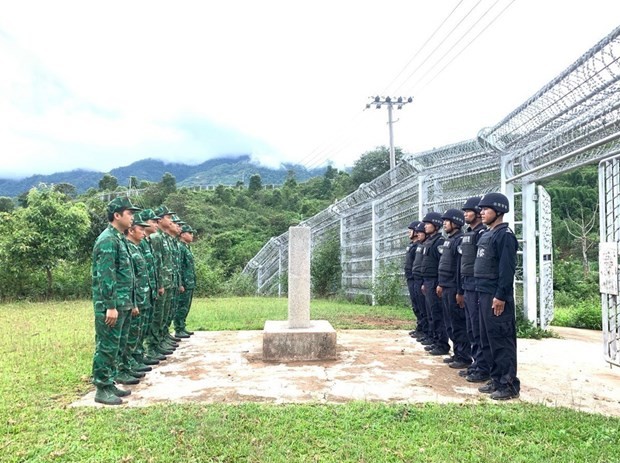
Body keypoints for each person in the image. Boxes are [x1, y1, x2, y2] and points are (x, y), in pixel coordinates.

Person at [91, 196, 141, 405]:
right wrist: (110, 306)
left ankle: (109, 382)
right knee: (107, 346)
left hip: (122, 303)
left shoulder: (118, 238)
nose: (132, 217)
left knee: (116, 345)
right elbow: (106, 276)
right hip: (111, 305)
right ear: (117, 215)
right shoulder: (108, 240)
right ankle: (101, 388)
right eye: (129, 213)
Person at [474, 193, 520, 400]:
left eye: (486, 209)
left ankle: (508, 384)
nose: (481, 212)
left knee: (501, 340)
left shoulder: (505, 235)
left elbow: (507, 269)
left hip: (496, 296)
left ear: (499, 211)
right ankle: (496, 378)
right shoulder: (488, 234)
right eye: (481, 209)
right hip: (484, 294)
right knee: (488, 338)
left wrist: (500, 295)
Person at [457, 197, 491, 383]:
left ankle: (482, 367)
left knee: (478, 328)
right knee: (471, 327)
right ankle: (476, 364)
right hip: (468, 285)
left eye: (468, 211)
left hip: (477, 286)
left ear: (477, 213)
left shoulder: (482, 233)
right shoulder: (469, 233)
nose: (465, 214)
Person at [437, 208, 471, 369]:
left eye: (447, 221)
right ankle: (458, 353)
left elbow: (459, 268)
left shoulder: (460, 240)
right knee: (450, 323)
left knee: (458, 324)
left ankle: (464, 356)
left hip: (454, 287)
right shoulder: (449, 240)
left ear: (456, 222)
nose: (444, 224)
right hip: (446, 286)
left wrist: (459, 291)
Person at [420, 212, 449, 356]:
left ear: (435, 225)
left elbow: (441, 264)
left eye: (428, 224)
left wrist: (440, 283)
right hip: (428, 280)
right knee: (431, 312)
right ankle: (435, 339)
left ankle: (442, 343)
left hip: (435, 281)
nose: (425, 226)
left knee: (437, 313)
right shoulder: (429, 241)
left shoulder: (439, 242)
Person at [411, 222, 432, 345]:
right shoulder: (421, 245)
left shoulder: (436, 243)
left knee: (431, 311)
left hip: (428, 281)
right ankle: (425, 331)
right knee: (420, 307)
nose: (418, 233)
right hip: (417, 279)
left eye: (420, 232)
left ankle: (432, 335)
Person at [175, 224, 196, 338]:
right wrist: (181, 283)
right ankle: (178, 328)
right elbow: (179, 266)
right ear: (182, 234)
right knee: (181, 306)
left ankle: (182, 326)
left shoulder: (186, 247)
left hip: (190, 282)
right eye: (190, 233)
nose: (192, 235)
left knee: (186, 306)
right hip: (185, 283)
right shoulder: (180, 248)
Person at [404, 220, 423, 338]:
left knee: (421, 306)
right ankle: (420, 327)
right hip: (411, 278)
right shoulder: (412, 245)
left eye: (410, 230)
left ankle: (423, 329)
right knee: (416, 305)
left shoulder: (419, 246)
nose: (408, 233)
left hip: (416, 279)